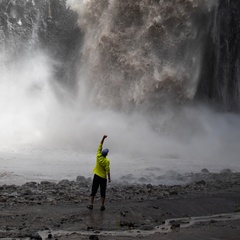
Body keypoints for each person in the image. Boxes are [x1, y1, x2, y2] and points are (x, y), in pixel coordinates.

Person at [87, 135, 111, 210]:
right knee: (102, 192)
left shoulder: (98, 155)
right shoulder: (107, 161)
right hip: (103, 178)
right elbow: (108, 170)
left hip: (96, 175)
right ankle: (102, 206)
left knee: (93, 190)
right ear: (106, 154)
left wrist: (103, 138)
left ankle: (91, 204)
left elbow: (100, 145)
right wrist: (109, 178)